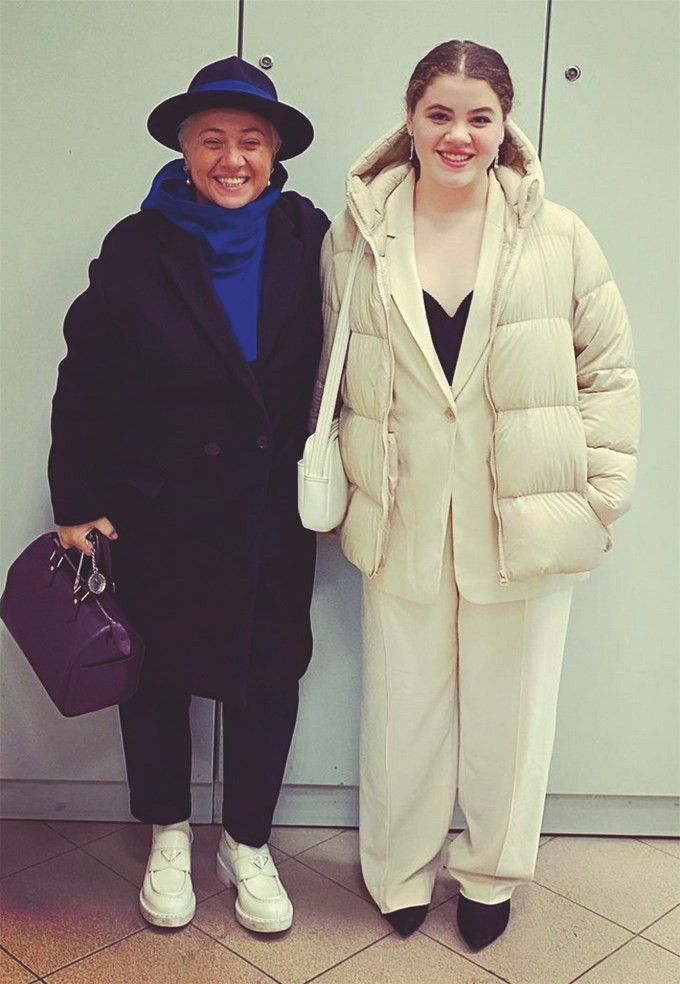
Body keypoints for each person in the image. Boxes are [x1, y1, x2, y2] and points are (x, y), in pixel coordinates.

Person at [317, 40, 639, 949]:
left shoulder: (558, 234)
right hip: (401, 510)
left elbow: (609, 370)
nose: (458, 135)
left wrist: (598, 496)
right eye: (440, 114)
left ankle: (492, 872)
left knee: (513, 712)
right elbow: (331, 371)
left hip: (528, 517)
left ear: (505, 127)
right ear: (410, 119)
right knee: (402, 709)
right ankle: (399, 869)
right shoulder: (357, 235)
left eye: (479, 117)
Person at [49, 57, 328, 933]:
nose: (231, 159)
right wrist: (74, 501)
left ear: (275, 154)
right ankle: (168, 831)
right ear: (183, 148)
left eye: (251, 141)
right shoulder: (138, 245)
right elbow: (85, 378)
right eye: (212, 140)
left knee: (268, 674)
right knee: (157, 676)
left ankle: (247, 841)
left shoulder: (311, 237)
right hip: (156, 503)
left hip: (270, 505)